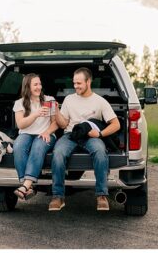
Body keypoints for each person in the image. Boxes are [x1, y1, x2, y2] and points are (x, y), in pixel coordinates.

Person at [49, 67, 120, 212]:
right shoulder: (69, 99)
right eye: (74, 83)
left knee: (100, 152)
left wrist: (99, 134)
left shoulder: (100, 102)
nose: (75, 86)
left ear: (89, 82)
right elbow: (63, 124)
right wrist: (56, 111)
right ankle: (58, 196)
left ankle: (101, 195)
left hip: (90, 136)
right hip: (70, 135)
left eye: (79, 83)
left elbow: (116, 124)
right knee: (58, 153)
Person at [13, 73, 58, 201]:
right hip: (26, 133)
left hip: (46, 134)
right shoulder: (19, 103)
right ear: (28, 87)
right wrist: (35, 114)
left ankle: (25, 186)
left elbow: (56, 123)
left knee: (38, 146)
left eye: (40, 84)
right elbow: (21, 124)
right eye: (35, 84)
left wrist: (47, 132)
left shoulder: (49, 100)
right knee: (18, 146)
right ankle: (29, 187)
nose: (39, 87)